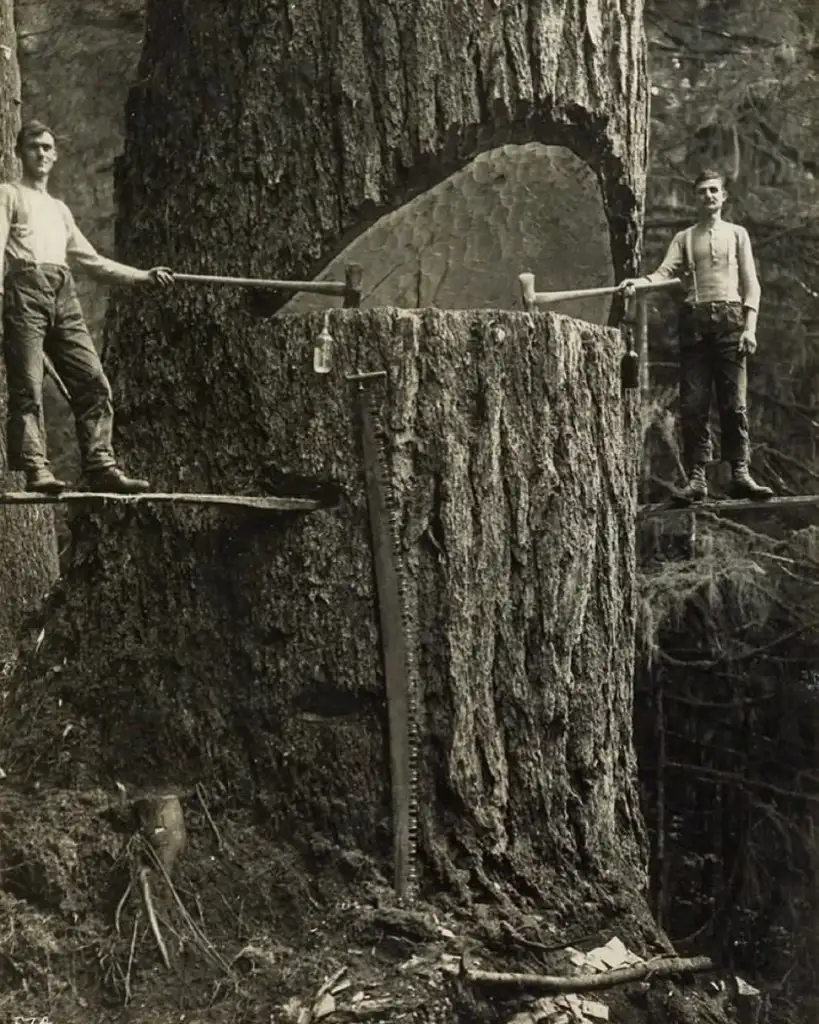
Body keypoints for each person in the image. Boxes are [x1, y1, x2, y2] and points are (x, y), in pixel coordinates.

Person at [0, 120, 174, 495]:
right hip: (23, 292)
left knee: (93, 381)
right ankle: (35, 470)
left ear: (56, 155)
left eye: (47, 147)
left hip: (64, 292)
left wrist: (144, 276)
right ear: (19, 153)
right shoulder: (8, 195)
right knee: (28, 386)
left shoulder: (59, 210)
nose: (41, 154)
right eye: (34, 147)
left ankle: (100, 464)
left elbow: (93, 262)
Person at [621, 169, 773, 502]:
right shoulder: (685, 238)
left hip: (731, 324)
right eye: (702, 191)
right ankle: (697, 479)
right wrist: (637, 284)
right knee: (693, 405)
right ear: (696, 197)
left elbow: (752, 285)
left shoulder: (737, 235)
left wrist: (750, 327)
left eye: (714, 191)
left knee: (734, 404)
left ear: (723, 196)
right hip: (694, 329)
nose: (708, 196)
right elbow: (661, 274)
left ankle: (740, 474)